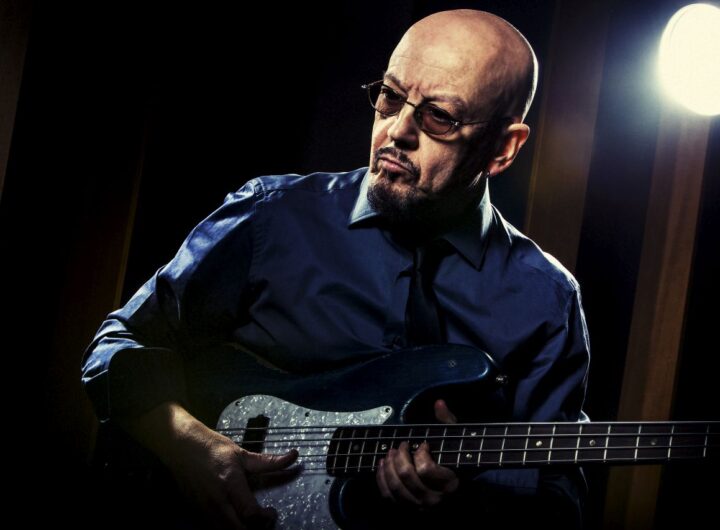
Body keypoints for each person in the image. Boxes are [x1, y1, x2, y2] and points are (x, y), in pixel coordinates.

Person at [82, 9, 590, 530]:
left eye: (439, 116)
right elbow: (116, 343)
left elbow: (558, 502)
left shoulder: (546, 300)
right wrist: (187, 444)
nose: (396, 131)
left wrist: (462, 497)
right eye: (390, 97)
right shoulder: (271, 216)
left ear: (504, 148)